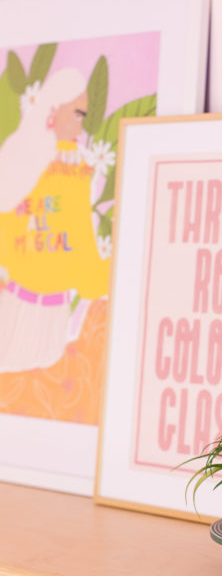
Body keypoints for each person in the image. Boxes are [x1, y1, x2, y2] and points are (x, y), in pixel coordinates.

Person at [0, 67, 110, 373]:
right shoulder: (50, 166)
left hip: (43, 314)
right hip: (28, 315)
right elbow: (82, 247)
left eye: (83, 117)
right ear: (53, 111)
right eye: (76, 115)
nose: (80, 127)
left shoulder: (65, 164)